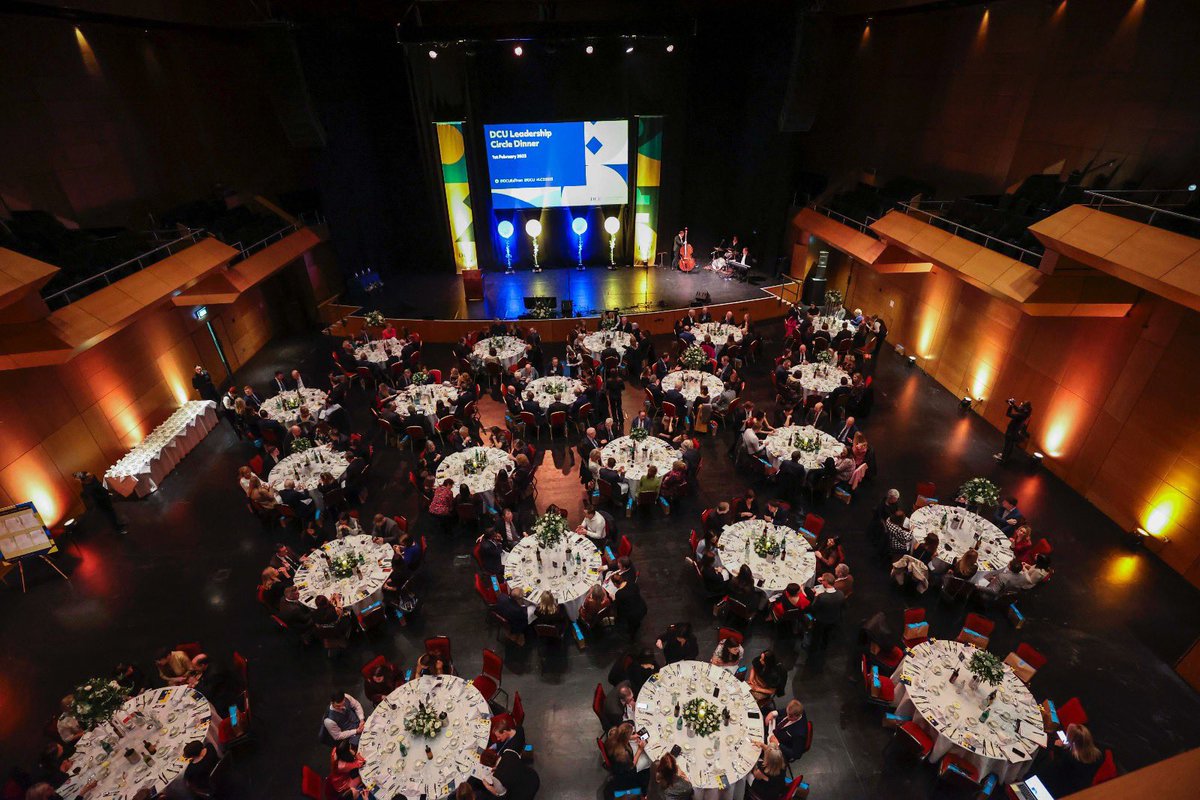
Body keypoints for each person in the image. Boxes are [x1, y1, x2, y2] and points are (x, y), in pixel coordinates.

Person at [1036, 723, 1105, 796]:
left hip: (1063, 788)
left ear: (1073, 742)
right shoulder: (1100, 755)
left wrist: (1057, 747)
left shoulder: (1069, 757)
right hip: (1081, 788)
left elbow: (1057, 767)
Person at [75, 471, 126, 535]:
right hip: (102, 503)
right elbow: (97, 497)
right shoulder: (88, 487)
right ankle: (118, 530)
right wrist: (106, 495)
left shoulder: (92, 480)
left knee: (112, 512)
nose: (92, 476)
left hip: (105, 499)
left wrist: (107, 493)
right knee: (110, 516)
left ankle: (118, 524)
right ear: (85, 478)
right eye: (89, 476)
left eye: (91, 475)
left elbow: (100, 487)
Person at [808, 572, 846, 653]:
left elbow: (813, 608)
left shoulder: (821, 597)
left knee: (817, 634)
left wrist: (816, 596)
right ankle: (824, 646)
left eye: (823, 580)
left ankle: (813, 649)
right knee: (827, 634)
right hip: (834, 618)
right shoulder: (841, 594)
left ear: (826, 582)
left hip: (821, 620)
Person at [995, 398, 1033, 463]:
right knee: (1010, 445)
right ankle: (1005, 457)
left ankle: (1003, 459)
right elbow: (1017, 409)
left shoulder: (1020, 415)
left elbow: (1008, 414)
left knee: (1007, 445)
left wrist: (1010, 406)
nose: (1020, 405)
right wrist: (1013, 404)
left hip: (1011, 431)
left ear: (1024, 408)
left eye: (1022, 404)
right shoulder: (1025, 413)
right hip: (1014, 430)